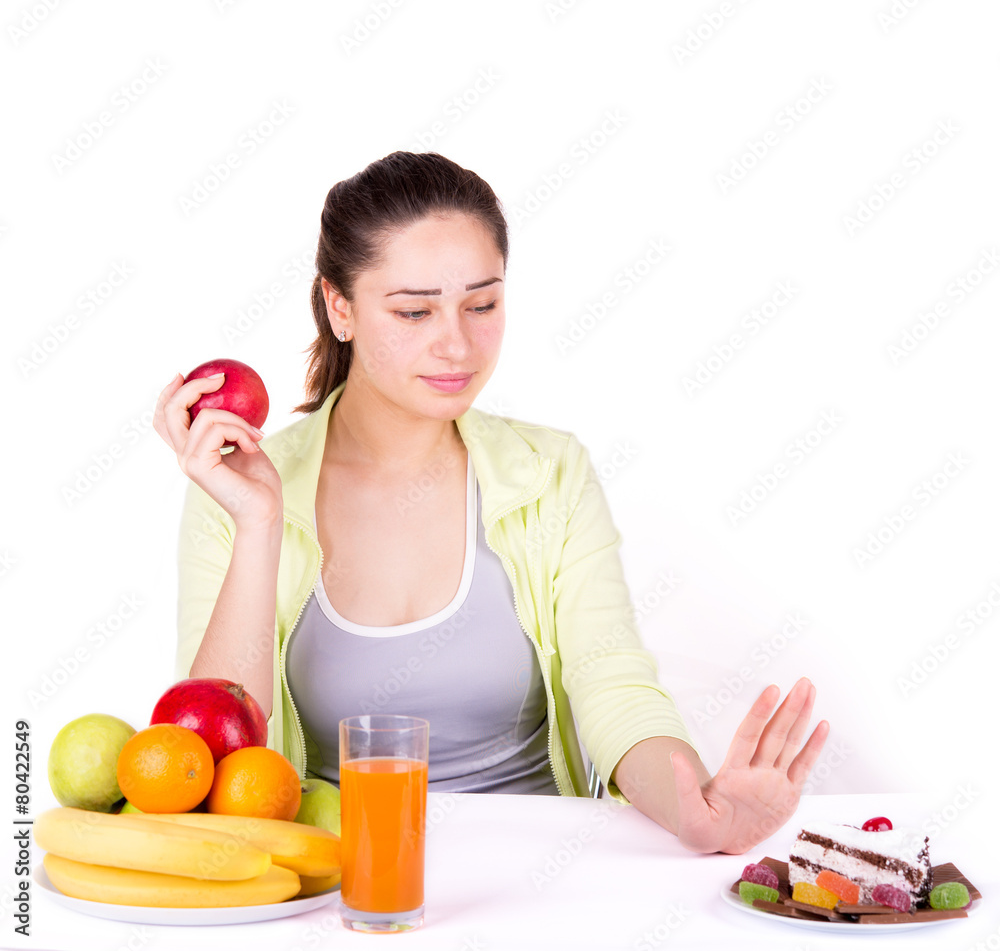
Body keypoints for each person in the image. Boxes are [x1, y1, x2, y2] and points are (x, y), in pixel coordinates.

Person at [154, 151, 828, 855]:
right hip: (340, 883)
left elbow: (613, 683)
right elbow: (212, 752)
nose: (456, 344)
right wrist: (258, 524)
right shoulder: (243, 489)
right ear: (339, 307)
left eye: (482, 305)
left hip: (537, 879)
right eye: (414, 311)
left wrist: (695, 807)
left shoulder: (550, 475)